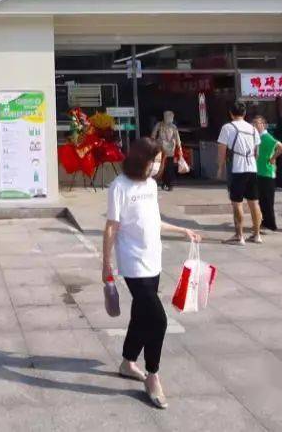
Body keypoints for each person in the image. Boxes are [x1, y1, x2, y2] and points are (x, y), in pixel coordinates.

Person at [102, 137, 202, 410]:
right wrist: (106, 264)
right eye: (153, 160)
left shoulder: (150, 185)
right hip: (133, 263)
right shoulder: (119, 186)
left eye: (159, 161)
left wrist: (183, 230)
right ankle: (153, 375)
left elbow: (153, 221)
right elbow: (111, 227)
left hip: (153, 260)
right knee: (158, 320)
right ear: (139, 159)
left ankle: (127, 362)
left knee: (141, 314)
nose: (157, 166)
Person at [216, 101, 263, 245]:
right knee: (254, 202)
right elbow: (257, 153)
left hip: (237, 168)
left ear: (231, 113)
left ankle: (239, 236)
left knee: (237, 203)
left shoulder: (227, 127)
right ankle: (257, 235)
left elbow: (222, 150)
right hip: (252, 168)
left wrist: (220, 168)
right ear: (245, 113)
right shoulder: (253, 129)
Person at [253, 116, 282, 232]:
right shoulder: (258, 137)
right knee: (262, 200)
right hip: (259, 171)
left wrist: (273, 158)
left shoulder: (267, 137)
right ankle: (265, 222)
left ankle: (271, 224)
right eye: (254, 124)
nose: (255, 126)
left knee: (267, 201)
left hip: (267, 172)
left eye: (257, 123)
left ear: (263, 125)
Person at [151, 111, 183, 192]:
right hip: (163, 149)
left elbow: (177, 138)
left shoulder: (172, 126)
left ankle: (169, 183)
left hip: (168, 150)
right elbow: (153, 135)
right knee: (164, 166)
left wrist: (179, 148)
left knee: (167, 167)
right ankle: (165, 182)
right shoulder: (161, 125)